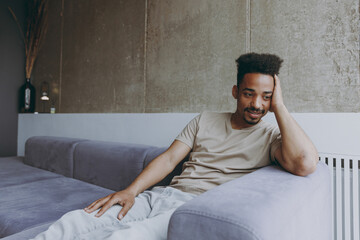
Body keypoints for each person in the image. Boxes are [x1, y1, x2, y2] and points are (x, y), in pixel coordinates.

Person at [32, 53, 319, 240]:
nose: (257, 104)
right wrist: (131, 192)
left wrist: (279, 105)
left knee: (124, 237)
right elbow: (169, 160)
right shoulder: (205, 119)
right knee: (74, 223)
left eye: (266, 97)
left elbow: (305, 163)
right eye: (249, 94)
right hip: (163, 196)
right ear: (235, 92)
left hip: (193, 210)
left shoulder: (272, 135)